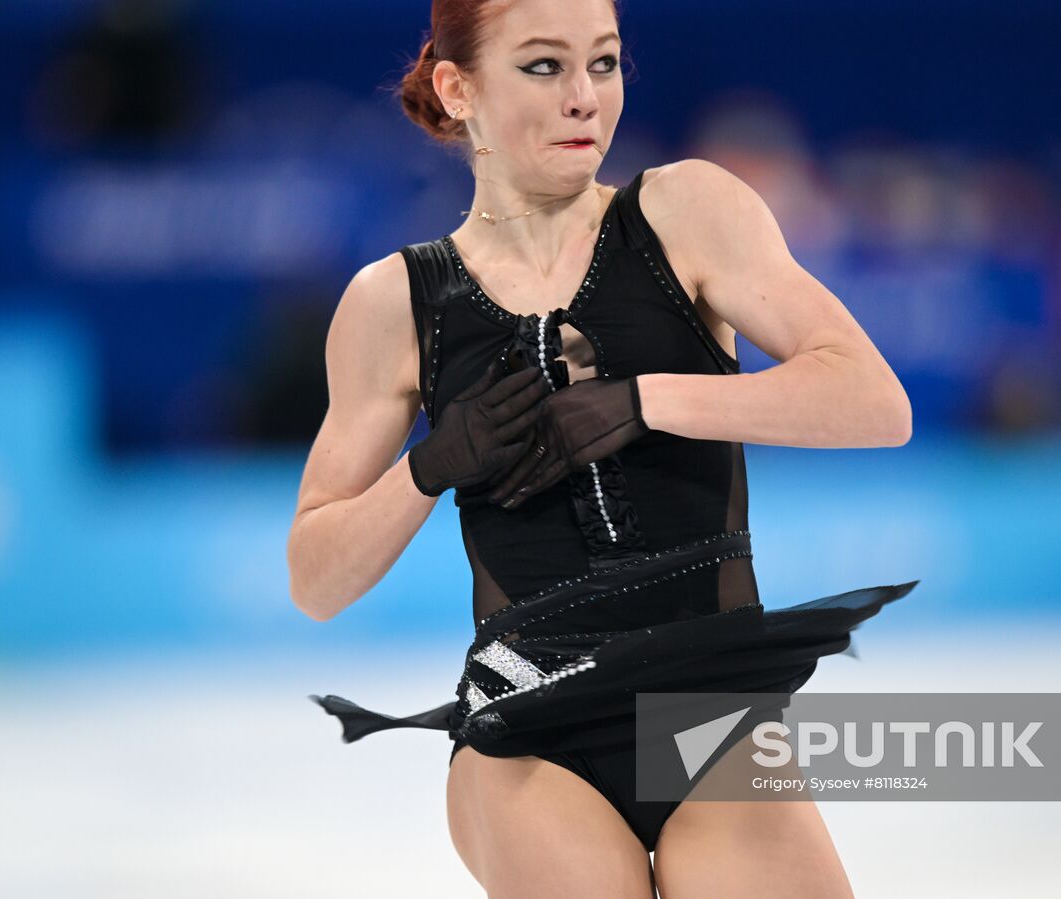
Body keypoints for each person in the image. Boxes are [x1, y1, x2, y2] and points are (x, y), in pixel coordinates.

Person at [288, 1, 918, 895]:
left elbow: (873, 401)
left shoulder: (684, 213)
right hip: (527, 726)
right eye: (545, 67)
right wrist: (428, 468)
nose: (586, 98)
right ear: (458, 88)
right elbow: (315, 578)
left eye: (606, 63)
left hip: (711, 710)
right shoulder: (395, 303)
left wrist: (647, 400)